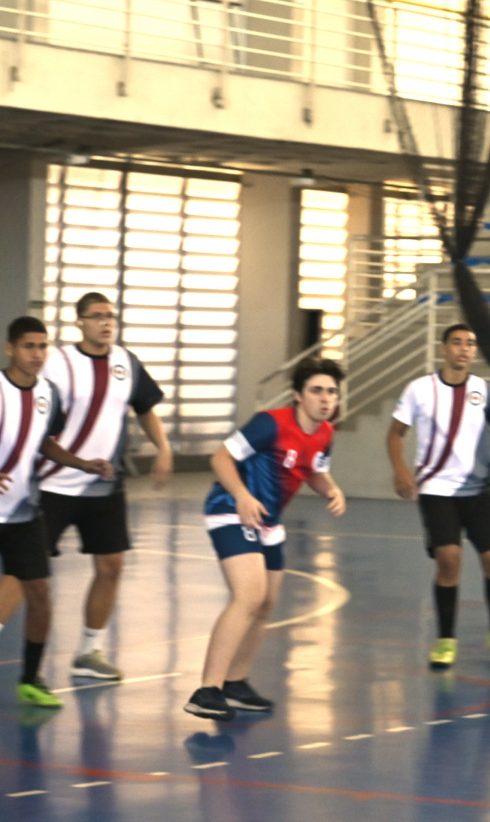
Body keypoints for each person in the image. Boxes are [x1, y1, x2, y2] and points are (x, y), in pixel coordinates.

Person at [188, 356, 346, 720]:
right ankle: (206, 689)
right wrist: (243, 495)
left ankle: (235, 683)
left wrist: (331, 489)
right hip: (231, 508)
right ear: (297, 395)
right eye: (317, 391)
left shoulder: (325, 433)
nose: (325, 399)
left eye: (332, 392)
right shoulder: (270, 425)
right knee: (249, 595)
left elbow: (315, 471)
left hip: (269, 522)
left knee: (267, 602)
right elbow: (221, 458)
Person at [38, 292, 173, 682]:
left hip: (105, 485)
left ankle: (89, 652)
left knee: (111, 566)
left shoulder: (125, 363)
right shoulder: (59, 362)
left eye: (110, 316)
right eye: (97, 316)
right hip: (54, 483)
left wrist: (162, 448)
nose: (106, 322)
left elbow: (145, 408)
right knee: (24, 572)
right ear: (80, 321)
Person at [388, 325, 490, 666]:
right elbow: (395, 434)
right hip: (436, 490)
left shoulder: (484, 391)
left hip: (479, 490)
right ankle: (445, 640)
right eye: (457, 342)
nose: (464, 348)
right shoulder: (419, 390)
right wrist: (400, 469)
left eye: (470, 343)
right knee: (449, 561)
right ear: (444, 348)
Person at [0, 317, 116, 709]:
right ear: (10, 348)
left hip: (22, 513)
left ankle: (30, 680)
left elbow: (43, 443)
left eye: (42, 346)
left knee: (41, 596)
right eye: (28, 346)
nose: (36, 354)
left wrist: (83, 464)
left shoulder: (48, 393)